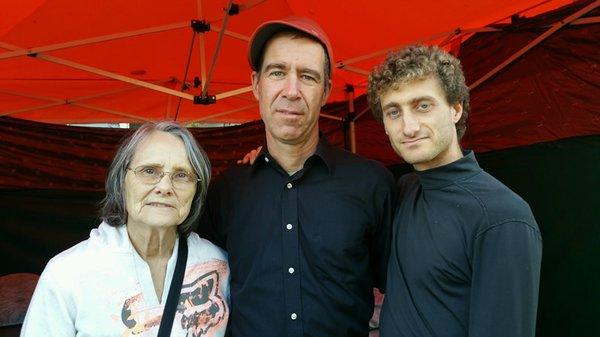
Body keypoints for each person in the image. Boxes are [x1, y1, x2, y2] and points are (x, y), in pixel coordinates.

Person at [197, 17, 396, 337]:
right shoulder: (227, 191)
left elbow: (405, 294)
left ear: (327, 90)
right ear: (256, 84)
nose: (292, 90)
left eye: (308, 76)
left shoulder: (371, 184)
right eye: (277, 72)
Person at [367, 45, 543, 337]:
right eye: (394, 111)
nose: (408, 127)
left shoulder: (502, 215)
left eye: (423, 105)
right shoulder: (404, 190)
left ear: (455, 108)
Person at [21, 122, 229, 337]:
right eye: (149, 171)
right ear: (121, 181)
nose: (165, 187)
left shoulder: (219, 266)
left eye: (182, 175)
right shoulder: (67, 273)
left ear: (197, 190)